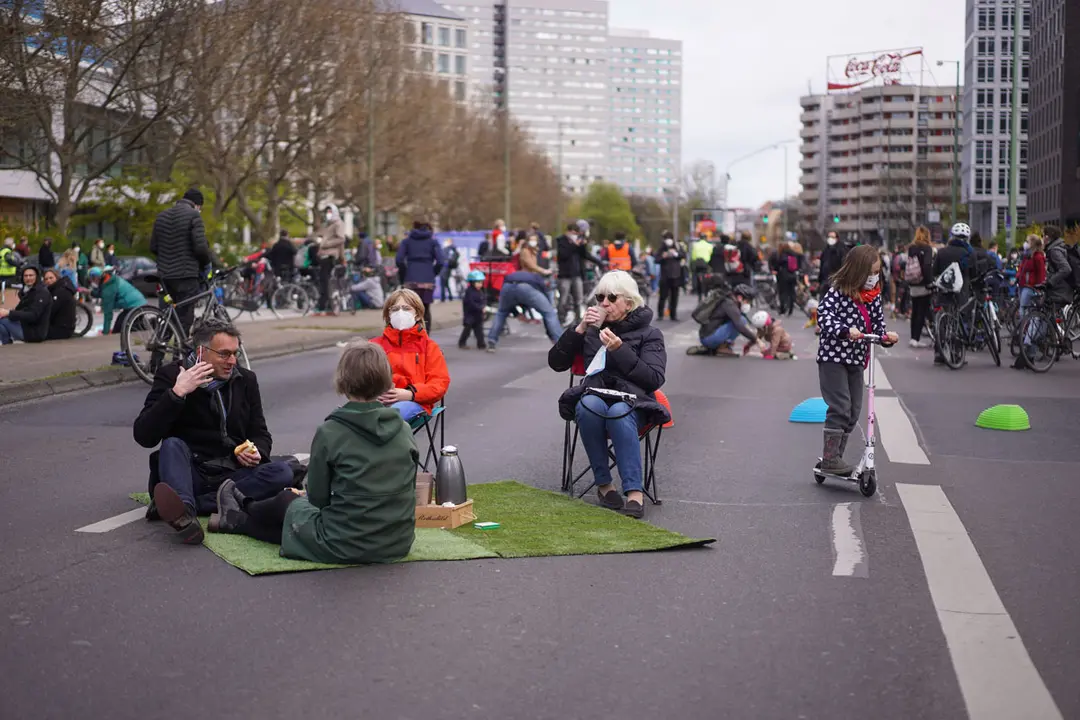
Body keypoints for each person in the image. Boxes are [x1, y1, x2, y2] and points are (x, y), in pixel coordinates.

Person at [208, 342, 418, 564]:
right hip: (398, 542)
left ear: (343, 380)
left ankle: (245, 510)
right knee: (301, 518)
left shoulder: (331, 431)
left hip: (346, 542)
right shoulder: (404, 429)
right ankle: (237, 516)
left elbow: (318, 499)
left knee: (288, 502)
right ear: (386, 378)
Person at [133, 318, 295, 545]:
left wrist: (256, 451)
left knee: (282, 473)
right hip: (188, 473)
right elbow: (144, 435)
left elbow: (260, 433)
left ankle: (187, 507)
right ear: (201, 352)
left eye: (235, 353)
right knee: (172, 445)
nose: (232, 361)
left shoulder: (245, 380)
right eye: (224, 354)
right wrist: (177, 393)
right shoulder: (171, 376)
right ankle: (186, 513)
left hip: (230, 475)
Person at [548, 270, 668, 519]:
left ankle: (634, 492)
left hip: (635, 404)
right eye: (600, 297)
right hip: (596, 395)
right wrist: (580, 327)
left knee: (618, 410)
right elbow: (556, 362)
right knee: (587, 404)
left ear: (629, 302)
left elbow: (654, 379)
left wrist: (620, 350)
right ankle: (604, 485)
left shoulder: (650, 334)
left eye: (612, 298)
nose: (604, 303)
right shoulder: (592, 329)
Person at [816, 245, 898, 475]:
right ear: (857, 272)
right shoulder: (838, 291)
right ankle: (831, 460)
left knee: (854, 411)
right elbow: (824, 315)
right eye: (870, 273)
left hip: (856, 358)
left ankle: (834, 458)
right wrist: (844, 330)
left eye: (877, 272)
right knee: (840, 406)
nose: (874, 278)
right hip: (833, 357)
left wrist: (886, 337)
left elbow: (878, 324)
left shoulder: (873, 296)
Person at [370, 288, 450, 424]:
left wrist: (409, 394)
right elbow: (358, 378)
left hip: (415, 402)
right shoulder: (373, 345)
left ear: (417, 315)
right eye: (395, 309)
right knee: (345, 420)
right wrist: (373, 394)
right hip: (376, 401)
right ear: (388, 315)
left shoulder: (429, 347)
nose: (400, 313)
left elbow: (439, 384)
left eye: (406, 308)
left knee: (386, 418)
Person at [150, 188, 212, 335]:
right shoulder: (194, 216)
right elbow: (201, 248)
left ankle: (157, 356)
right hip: (186, 275)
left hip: (165, 275)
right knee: (185, 317)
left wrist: (167, 258)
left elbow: (153, 247)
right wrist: (205, 266)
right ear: (197, 205)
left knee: (168, 317)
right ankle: (179, 356)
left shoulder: (162, 216)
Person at [486, 270, 563, 351]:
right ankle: (561, 343)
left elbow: (509, 304)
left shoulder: (521, 275)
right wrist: (550, 333)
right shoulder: (538, 279)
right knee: (549, 314)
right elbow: (545, 304)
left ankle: (491, 341)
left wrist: (517, 314)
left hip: (507, 286)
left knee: (501, 313)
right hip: (525, 287)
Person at [686, 282, 765, 357]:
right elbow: (740, 326)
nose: (748, 304)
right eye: (747, 301)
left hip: (706, 336)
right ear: (740, 298)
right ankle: (721, 347)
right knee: (741, 320)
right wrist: (757, 340)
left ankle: (719, 346)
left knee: (741, 320)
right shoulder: (730, 305)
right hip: (709, 338)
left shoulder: (728, 301)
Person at [395, 220, 445, 329]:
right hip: (427, 280)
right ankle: (425, 337)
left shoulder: (407, 242)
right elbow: (441, 261)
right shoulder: (433, 242)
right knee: (425, 309)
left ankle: (410, 335)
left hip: (411, 279)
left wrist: (404, 274)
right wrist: (433, 273)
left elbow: (399, 260)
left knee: (410, 309)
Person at [1012, 234, 1046, 370]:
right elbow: (1022, 270)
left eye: (1027, 241)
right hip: (1024, 288)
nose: (1025, 244)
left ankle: (1027, 349)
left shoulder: (1037, 257)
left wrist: (1038, 290)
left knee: (1029, 319)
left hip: (1030, 289)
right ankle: (1028, 355)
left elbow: (1041, 275)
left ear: (1032, 244)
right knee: (1027, 320)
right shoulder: (1028, 256)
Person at [556, 223, 600, 326]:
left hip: (577, 274)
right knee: (563, 299)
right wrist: (574, 245)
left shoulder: (577, 242)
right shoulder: (561, 240)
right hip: (565, 275)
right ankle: (560, 319)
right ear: (569, 232)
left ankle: (578, 321)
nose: (575, 235)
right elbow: (563, 255)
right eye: (574, 233)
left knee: (578, 300)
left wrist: (582, 245)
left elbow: (584, 254)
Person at [0, 265, 51, 345]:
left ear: (37, 277)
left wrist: (9, 313)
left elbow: (33, 315)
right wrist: (7, 312)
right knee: (3, 318)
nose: (28, 278)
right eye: (25, 276)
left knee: (2, 320)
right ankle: (6, 343)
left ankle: (7, 344)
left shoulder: (42, 293)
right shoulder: (27, 292)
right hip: (26, 327)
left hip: (34, 333)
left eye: (31, 275)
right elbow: (20, 311)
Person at [89, 265, 148, 335]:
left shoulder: (108, 287)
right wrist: (90, 292)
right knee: (127, 325)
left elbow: (108, 313)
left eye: (91, 279)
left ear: (96, 278)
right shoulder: (110, 280)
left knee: (120, 329)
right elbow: (102, 293)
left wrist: (105, 333)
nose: (92, 282)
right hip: (139, 303)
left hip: (134, 306)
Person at [905, 226, 935, 348]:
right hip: (923, 283)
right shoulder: (927, 248)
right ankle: (917, 338)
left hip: (913, 282)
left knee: (915, 311)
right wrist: (930, 282)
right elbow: (927, 266)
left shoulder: (912, 248)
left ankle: (913, 337)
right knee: (922, 311)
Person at [316, 204, 347, 314]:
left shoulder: (338, 223)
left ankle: (325, 306)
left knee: (326, 280)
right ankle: (326, 304)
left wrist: (326, 244)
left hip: (330, 255)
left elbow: (341, 240)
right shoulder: (328, 225)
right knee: (324, 280)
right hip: (324, 255)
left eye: (330, 211)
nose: (328, 214)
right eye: (327, 212)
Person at [654, 231, 684, 321]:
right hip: (665, 276)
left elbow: (683, 254)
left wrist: (675, 253)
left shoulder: (677, 246)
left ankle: (673, 315)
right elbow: (656, 259)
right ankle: (660, 314)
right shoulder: (662, 248)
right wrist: (664, 256)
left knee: (674, 296)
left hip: (675, 275)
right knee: (663, 296)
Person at [42, 268, 77, 341]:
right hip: (60, 326)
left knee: (33, 332)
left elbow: (51, 311)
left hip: (62, 330)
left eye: (51, 278)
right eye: (46, 279)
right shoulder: (56, 288)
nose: (48, 281)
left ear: (57, 278)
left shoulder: (60, 292)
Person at [459, 270, 487, 350]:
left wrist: (483, 306)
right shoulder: (469, 292)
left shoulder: (481, 291)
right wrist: (480, 308)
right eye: (477, 282)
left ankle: (481, 344)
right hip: (470, 315)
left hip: (478, 315)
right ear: (472, 283)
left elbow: (484, 299)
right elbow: (471, 303)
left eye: (481, 283)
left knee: (479, 331)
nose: (479, 285)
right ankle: (462, 343)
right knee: (467, 330)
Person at [776, 241, 803, 316]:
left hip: (784, 276)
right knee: (791, 292)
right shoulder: (794, 254)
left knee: (783, 292)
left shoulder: (782, 255)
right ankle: (791, 308)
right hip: (793, 275)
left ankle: (783, 309)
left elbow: (778, 264)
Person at [818, 231, 846, 299]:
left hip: (835, 280)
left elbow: (843, 265)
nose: (830, 239)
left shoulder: (841, 250)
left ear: (837, 238)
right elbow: (822, 265)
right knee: (823, 300)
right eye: (829, 237)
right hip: (825, 280)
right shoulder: (825, 250)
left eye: (832, 237)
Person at [0, 237, 21, 306]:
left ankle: (3, 302)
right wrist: (17, 264)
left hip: (2, 273)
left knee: (3, 290)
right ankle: (7, 304)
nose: (13, 245)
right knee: (8, 290)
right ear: (10, 244)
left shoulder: (2, 250)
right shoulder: (7, 251)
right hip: (7, 274)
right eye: (13, 243)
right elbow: (9, 260)